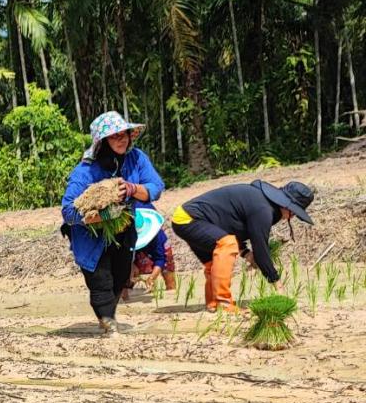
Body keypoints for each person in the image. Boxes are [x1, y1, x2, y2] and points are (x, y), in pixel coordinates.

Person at [61, 111, 166, 334]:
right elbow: (68, 210)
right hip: (90, 236)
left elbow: (156, 187)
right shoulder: (86, 171)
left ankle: (108, 318)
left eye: (124, 134)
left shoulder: (136, 159)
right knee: (101, 280)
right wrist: (98, 216)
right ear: (102, 142)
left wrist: (132, 188)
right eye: (114, 136)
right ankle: (108, 322)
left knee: (120, 276)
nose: (121, 139)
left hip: (124, 229)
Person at [170, 180, 315, 312]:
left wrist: (246, 253)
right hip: (190, 219)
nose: (293, 216)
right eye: (294, 212)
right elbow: (261, 248)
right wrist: (276, 282)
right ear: (286, 204)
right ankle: (224, 303)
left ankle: (213, 303)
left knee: (215, 262)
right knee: (226, 244)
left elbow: (229, 227)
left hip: (188, 218)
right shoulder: (263, 210)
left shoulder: (263, 203)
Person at [131, 226, 177, 293]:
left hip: (161, 249)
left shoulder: (157, 237)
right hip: (137, 248)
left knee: (167, 271)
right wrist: (132, 264)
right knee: (130, 273)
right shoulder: (129, 235)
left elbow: (160, 259)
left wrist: (152, 277)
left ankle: (171, 291)